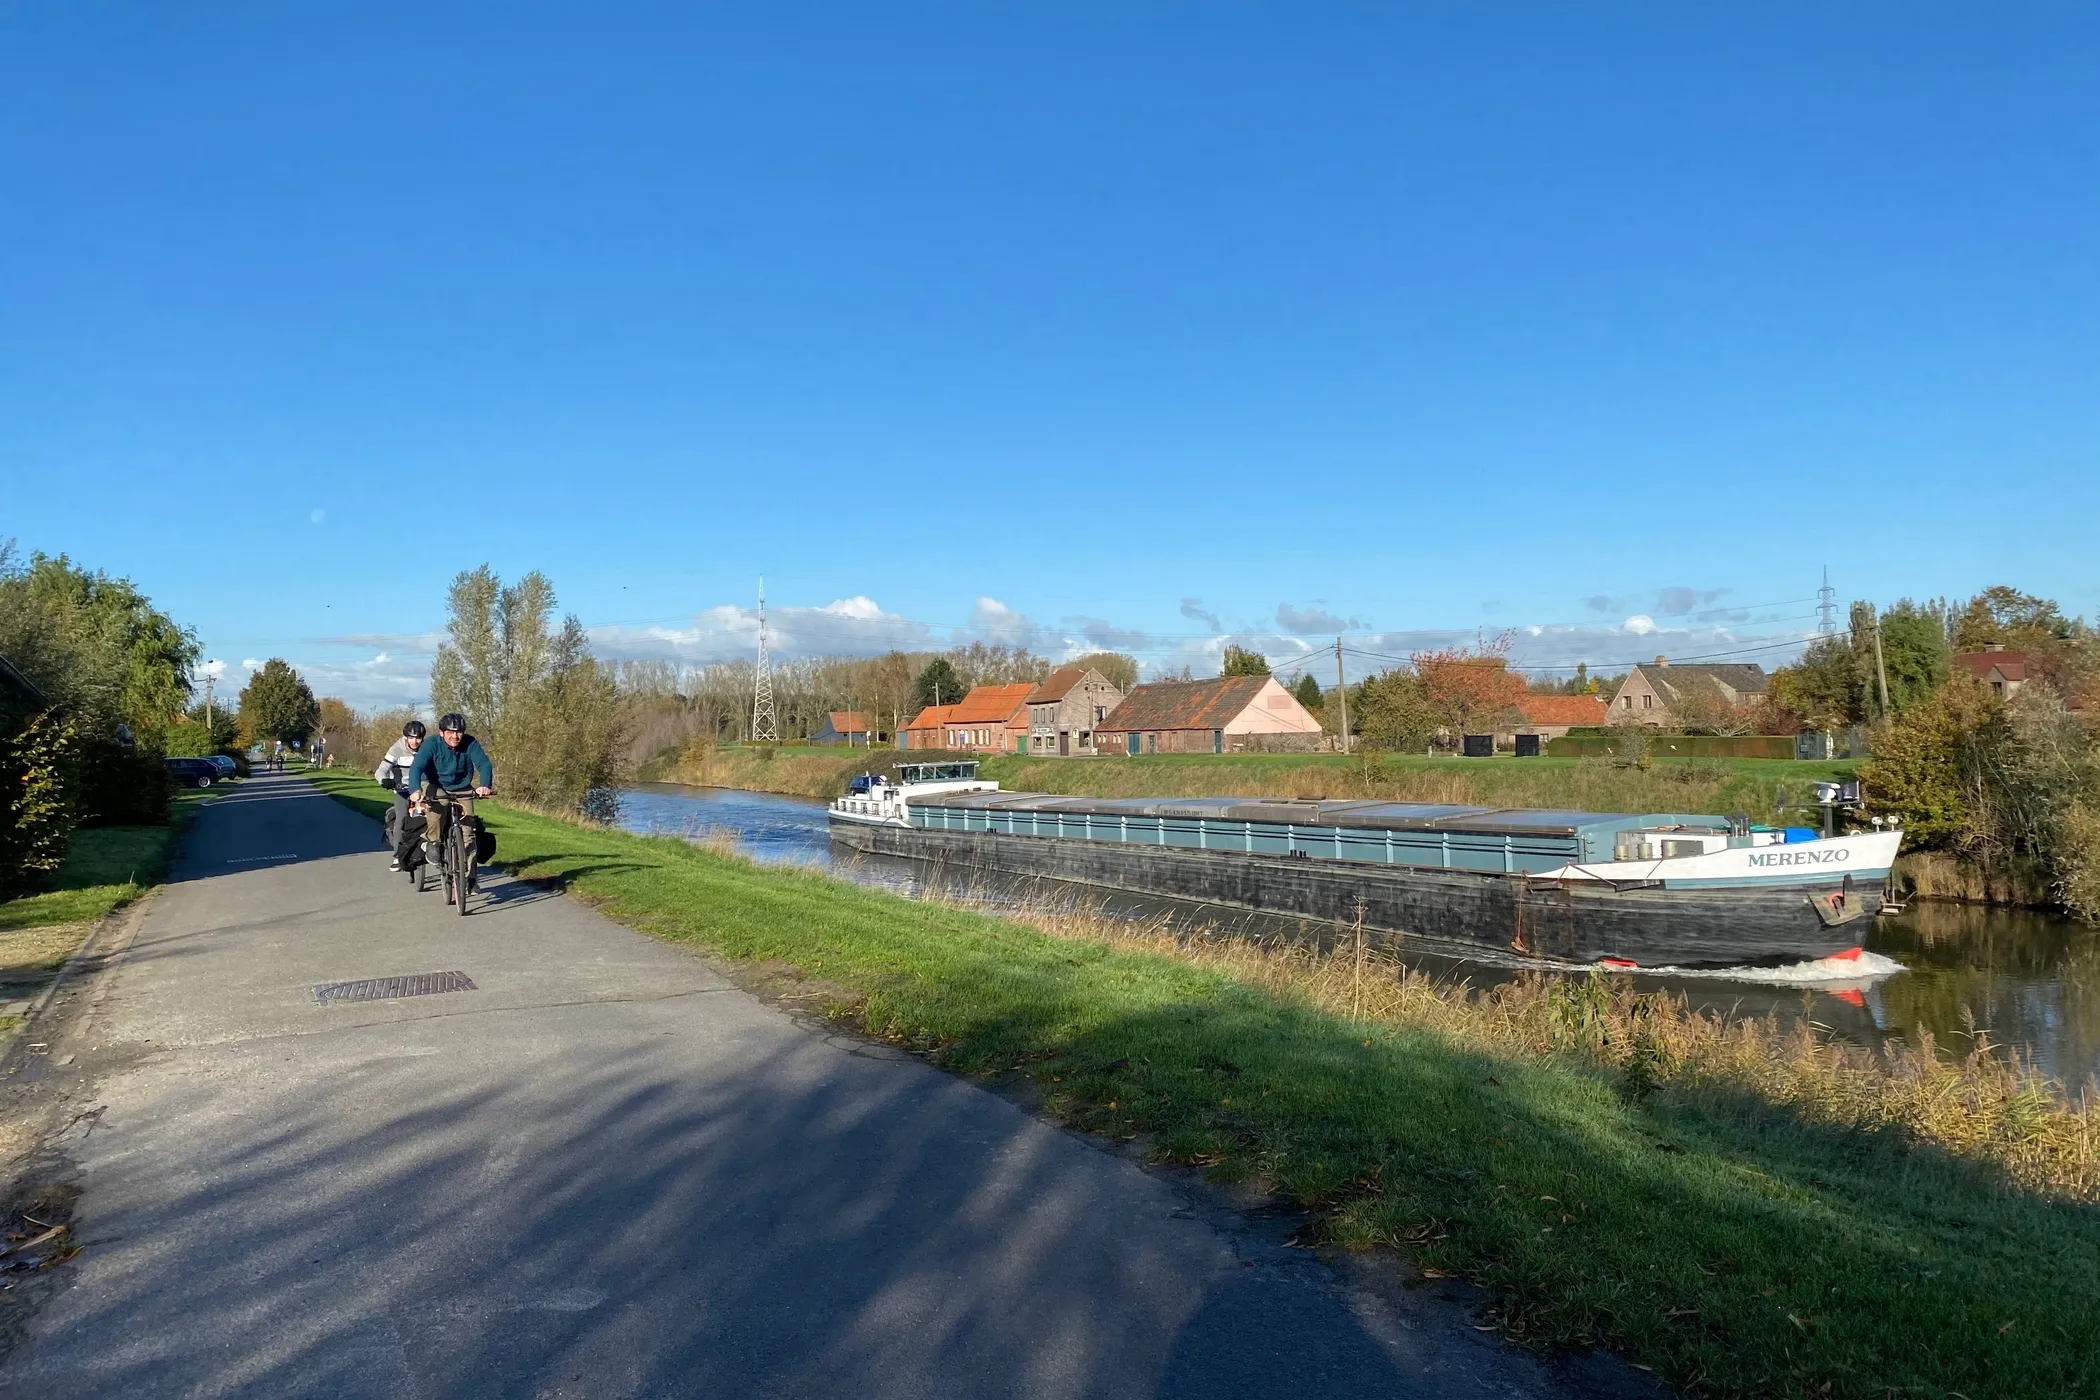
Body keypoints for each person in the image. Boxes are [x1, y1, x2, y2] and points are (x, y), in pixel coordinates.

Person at [397, 712, 494, 873]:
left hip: (461, 786)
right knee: (440, 803)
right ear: (442, 732)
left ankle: (470, 875)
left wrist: (484, 785)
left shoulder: (470, 743)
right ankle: (433, 842)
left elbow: (484, 765)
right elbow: (417, 767)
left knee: (468, 831)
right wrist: (415, 789)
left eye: (459, 732)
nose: (455, 736)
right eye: (450, 732)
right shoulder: (431, 744)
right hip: (434, 784)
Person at [377, 721, 427, 865]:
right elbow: (381, 770)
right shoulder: (396, 749)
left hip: (421, 788)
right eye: (411, 738)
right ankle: (397, 856)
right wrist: (384, 781)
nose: (415, 741)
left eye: (418, 738)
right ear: (405, 737)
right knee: (401, 818)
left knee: (431, 816)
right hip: (402, 789)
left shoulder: (426, 749)